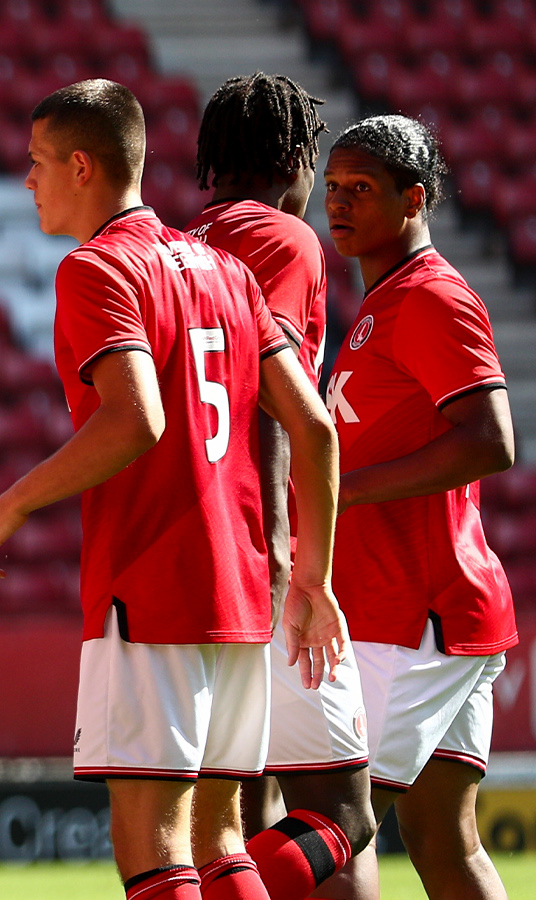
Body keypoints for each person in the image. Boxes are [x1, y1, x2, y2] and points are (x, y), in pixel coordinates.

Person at [0, 80, 347, 900]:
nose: (26, 181)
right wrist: (310, 577)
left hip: (152, 585)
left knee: (152, 844)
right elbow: (315, 430)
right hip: (244, 591)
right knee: (222, 839)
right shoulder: (223, 268)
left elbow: (135, 422)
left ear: (81, 164)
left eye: (37, 164)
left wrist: (13, 501)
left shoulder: (98, 266)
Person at [187, 74, 378, 900]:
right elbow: (277, 407)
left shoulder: (179, 241)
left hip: (189, 553)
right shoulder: (286, 240)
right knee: (346, 813)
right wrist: (290, 565)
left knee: (240, 809)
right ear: (296, 157)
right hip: (256, 553)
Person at [323, 115, 517, 900]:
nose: (337, 204)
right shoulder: (382, 302)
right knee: (442, 838)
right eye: (332, 187)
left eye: (361, 189)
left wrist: (345, 492)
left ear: (417, 198)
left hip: (418, 616)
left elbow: (491, 440)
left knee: (331, 823)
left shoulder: (432, 296)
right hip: (431, 613)